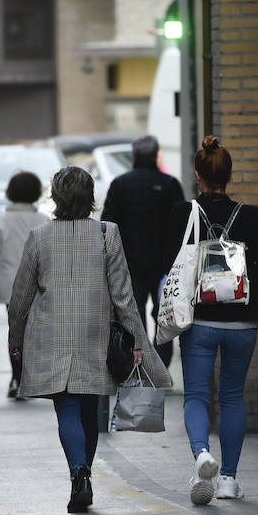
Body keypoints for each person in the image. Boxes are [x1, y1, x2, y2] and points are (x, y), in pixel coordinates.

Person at [8, 165, 172, 514]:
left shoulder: (39, 236)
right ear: (90, 197)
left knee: (66, 408)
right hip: (96, 337)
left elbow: (19, 299)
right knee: (89, 410)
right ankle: (84, 475)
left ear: (55, 197)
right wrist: (138, 341)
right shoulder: (106, 234)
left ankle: (78, 473)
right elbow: (124, 296)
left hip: (51, 337)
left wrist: (15, 341)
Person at [163, 135, 258, 506]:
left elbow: (170, 264)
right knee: (232, 396)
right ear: (228, 175)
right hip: (243, 321)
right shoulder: (250, 215)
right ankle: (229, 479)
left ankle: (202, 456)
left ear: (197, 174)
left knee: (196, 395)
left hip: (198, 320)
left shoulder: (182, 213)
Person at [101, 134, 184, 368]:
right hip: (163, 265)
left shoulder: (120, 184)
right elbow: (180, 227)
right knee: (163, 314)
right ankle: (160, 363)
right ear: (156, 155)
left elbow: (107, 225)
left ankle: (136, 362)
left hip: (128, 263)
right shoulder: (169, 184)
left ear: (134, 155)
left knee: (131, 313)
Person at [0, 171, 51, 398]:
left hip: (12, 288)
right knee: (38, 334)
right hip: (41, 286)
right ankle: (37, 379)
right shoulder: (44, 221)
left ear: (10, 193)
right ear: (36, 193)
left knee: (16, 334)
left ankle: (17, 379)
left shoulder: (1, 222)